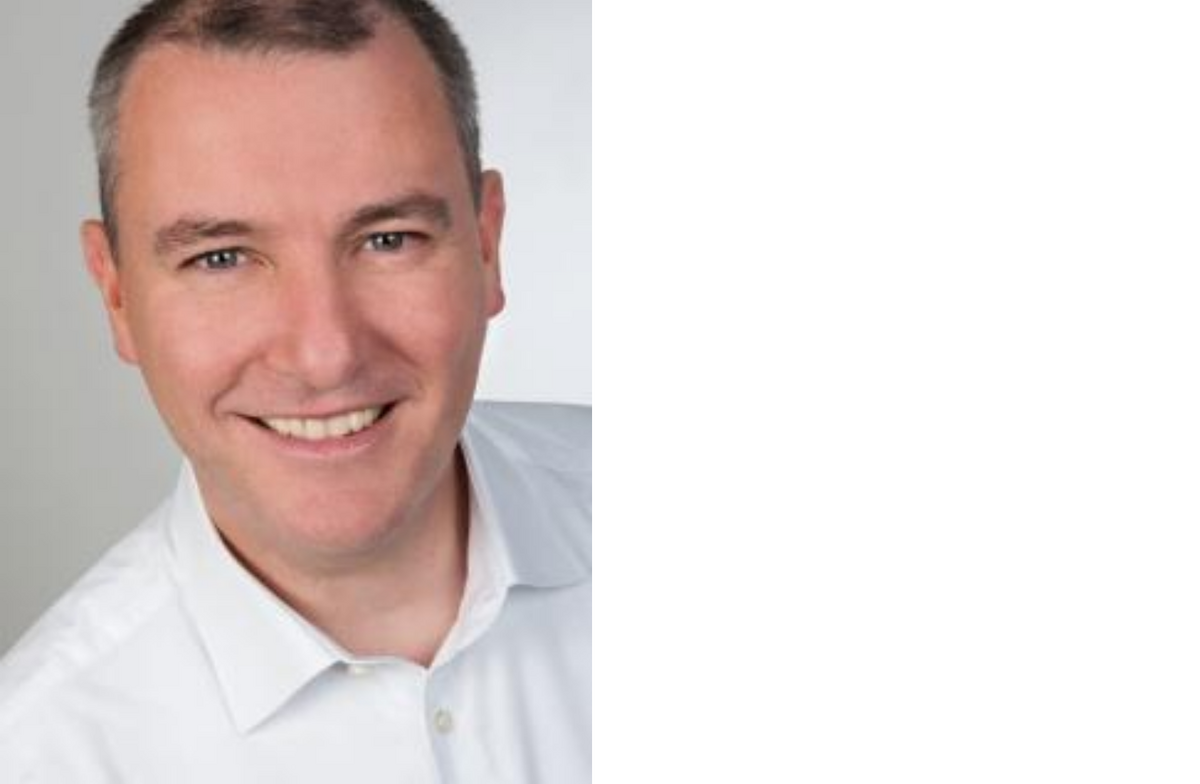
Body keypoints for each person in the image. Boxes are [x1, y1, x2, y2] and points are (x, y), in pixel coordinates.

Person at [0, 0, 590, 780]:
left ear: (487, 246)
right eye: (221, 258)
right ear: (116, 295)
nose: (324, 355)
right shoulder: (40, 753)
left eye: (388, 240)